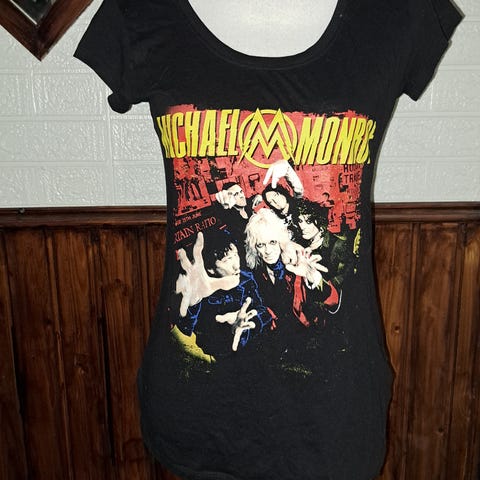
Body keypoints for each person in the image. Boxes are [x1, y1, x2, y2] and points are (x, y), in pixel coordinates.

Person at [174, 230, 273, 358]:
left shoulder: (246, 278)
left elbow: (262, 309)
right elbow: (187, 329)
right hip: (221, 356)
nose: (236, 265)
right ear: (210, 269)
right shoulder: (200, 290)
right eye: (227, 260)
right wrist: (193, 304)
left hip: (256, 347)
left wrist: (251, 321)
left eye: (236, 255)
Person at [292, 199, 355, 292]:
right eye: (300, 221)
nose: (302, 227)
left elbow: (347, 275)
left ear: (320, 222)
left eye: (308, 222)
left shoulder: (338, 245)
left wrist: (324, 285)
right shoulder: (299, 243)